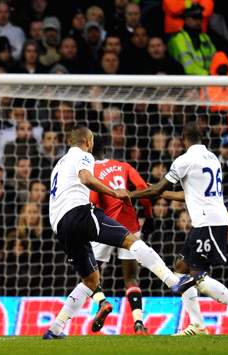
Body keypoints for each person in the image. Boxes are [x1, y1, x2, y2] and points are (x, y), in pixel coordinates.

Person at [43, 126, 196, 339]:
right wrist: (115, 192)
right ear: (88, 141)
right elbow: (88, 179)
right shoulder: (85, 156)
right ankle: (173, 282)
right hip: (80, 214)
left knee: (91, 280)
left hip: (59, 225)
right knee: (131, 242)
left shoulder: (58, 165)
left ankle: (55, 329)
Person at [130, 122, 228, 336]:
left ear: (183, 139)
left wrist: (130, 194)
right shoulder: (212, 158)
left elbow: (156, 189)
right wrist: (161, 194)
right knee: (181, 268)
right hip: (208, 219)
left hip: (208, 222)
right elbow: (191, 194)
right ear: (203, 138)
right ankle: (197, 325)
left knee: (197, 275)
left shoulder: (184, 160)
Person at [89, 136, 153, 335]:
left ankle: (102, 302)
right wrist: (149, 215)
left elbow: (92, 199)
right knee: (131, 279)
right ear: (106, 152)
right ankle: (139, 323)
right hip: (130, 226)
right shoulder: (123, 166)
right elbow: (143, 188)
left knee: (90, 275)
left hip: (105, 225)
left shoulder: (90, 171)